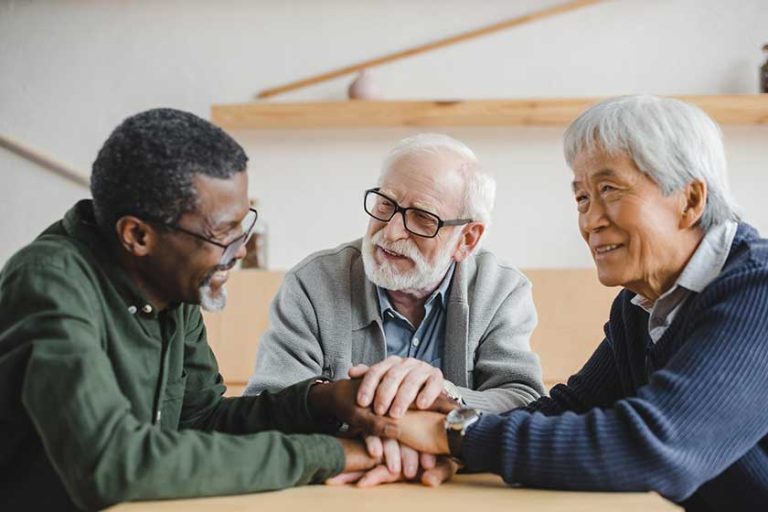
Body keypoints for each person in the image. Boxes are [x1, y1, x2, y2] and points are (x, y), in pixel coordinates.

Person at [0, 108, 407, 510]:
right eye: (223, 233)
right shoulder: (49, 284)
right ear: (137, 235)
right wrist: (328, 455)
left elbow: (201, 421)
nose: (241, 250)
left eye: (242, 225)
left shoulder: (170, 286)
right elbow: (113, 464)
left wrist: (325, 400)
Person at [374, 95, 768, 510]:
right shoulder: (640, 305)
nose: (590, 220)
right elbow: (569, 410)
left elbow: (655, 448)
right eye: (582, 198)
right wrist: (441, 424)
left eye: (609, 189)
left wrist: (453, 433)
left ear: (690, 200)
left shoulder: (757, 291)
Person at [244, 134, 545, 481]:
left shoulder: (501, 290)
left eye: (421, 218)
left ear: (467, 239)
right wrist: (383, 440)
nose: (390, 232)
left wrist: (439, 401)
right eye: (386, 204)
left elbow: (524, 401)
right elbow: (265, 410)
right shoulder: (312, 284)